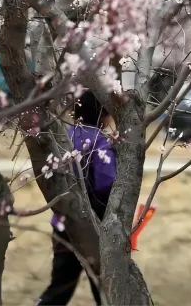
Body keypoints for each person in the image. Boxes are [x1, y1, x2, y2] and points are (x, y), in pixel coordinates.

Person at [37, 92, 116, 305]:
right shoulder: (100, 141)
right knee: (105, 288)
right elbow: (105, 182)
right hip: (92, 224)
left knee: (60, 286)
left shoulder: (63, 136)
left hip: (63, 222)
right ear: (103, 114)